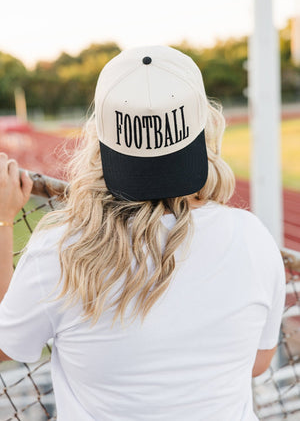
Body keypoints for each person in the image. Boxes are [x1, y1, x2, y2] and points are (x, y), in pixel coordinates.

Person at [0, 45, 286, 421]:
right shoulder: (253, 237)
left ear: (100, 137)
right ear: (203, 126)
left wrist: (4, 221)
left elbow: (6, 344)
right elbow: (257, 362)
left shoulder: (62, 249)